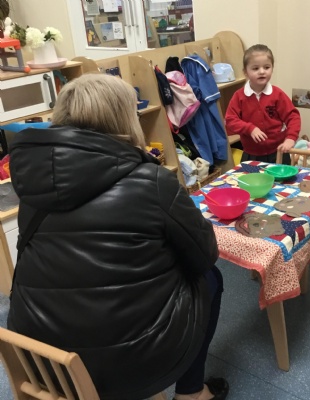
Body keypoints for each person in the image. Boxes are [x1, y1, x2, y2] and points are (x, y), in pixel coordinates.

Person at [7, 74, 229, 400]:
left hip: (42, 361)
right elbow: (205, 253)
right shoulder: (151, 181)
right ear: (123, 119)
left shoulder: (32, 185)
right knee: (210, 278)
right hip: (123, 368)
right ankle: (191, 393)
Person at [225, 44, 301, 165]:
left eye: (266, 67)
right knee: (250, 178)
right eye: (255, 68)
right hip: (251, 154)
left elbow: (293, 116)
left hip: (278, 153)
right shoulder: (239, 96)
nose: (262, 72)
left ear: (272, 69)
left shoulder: (278, 94)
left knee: (284, 178)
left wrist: (290, 138)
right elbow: (230, 120)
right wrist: (250, 129)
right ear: (245, 72)